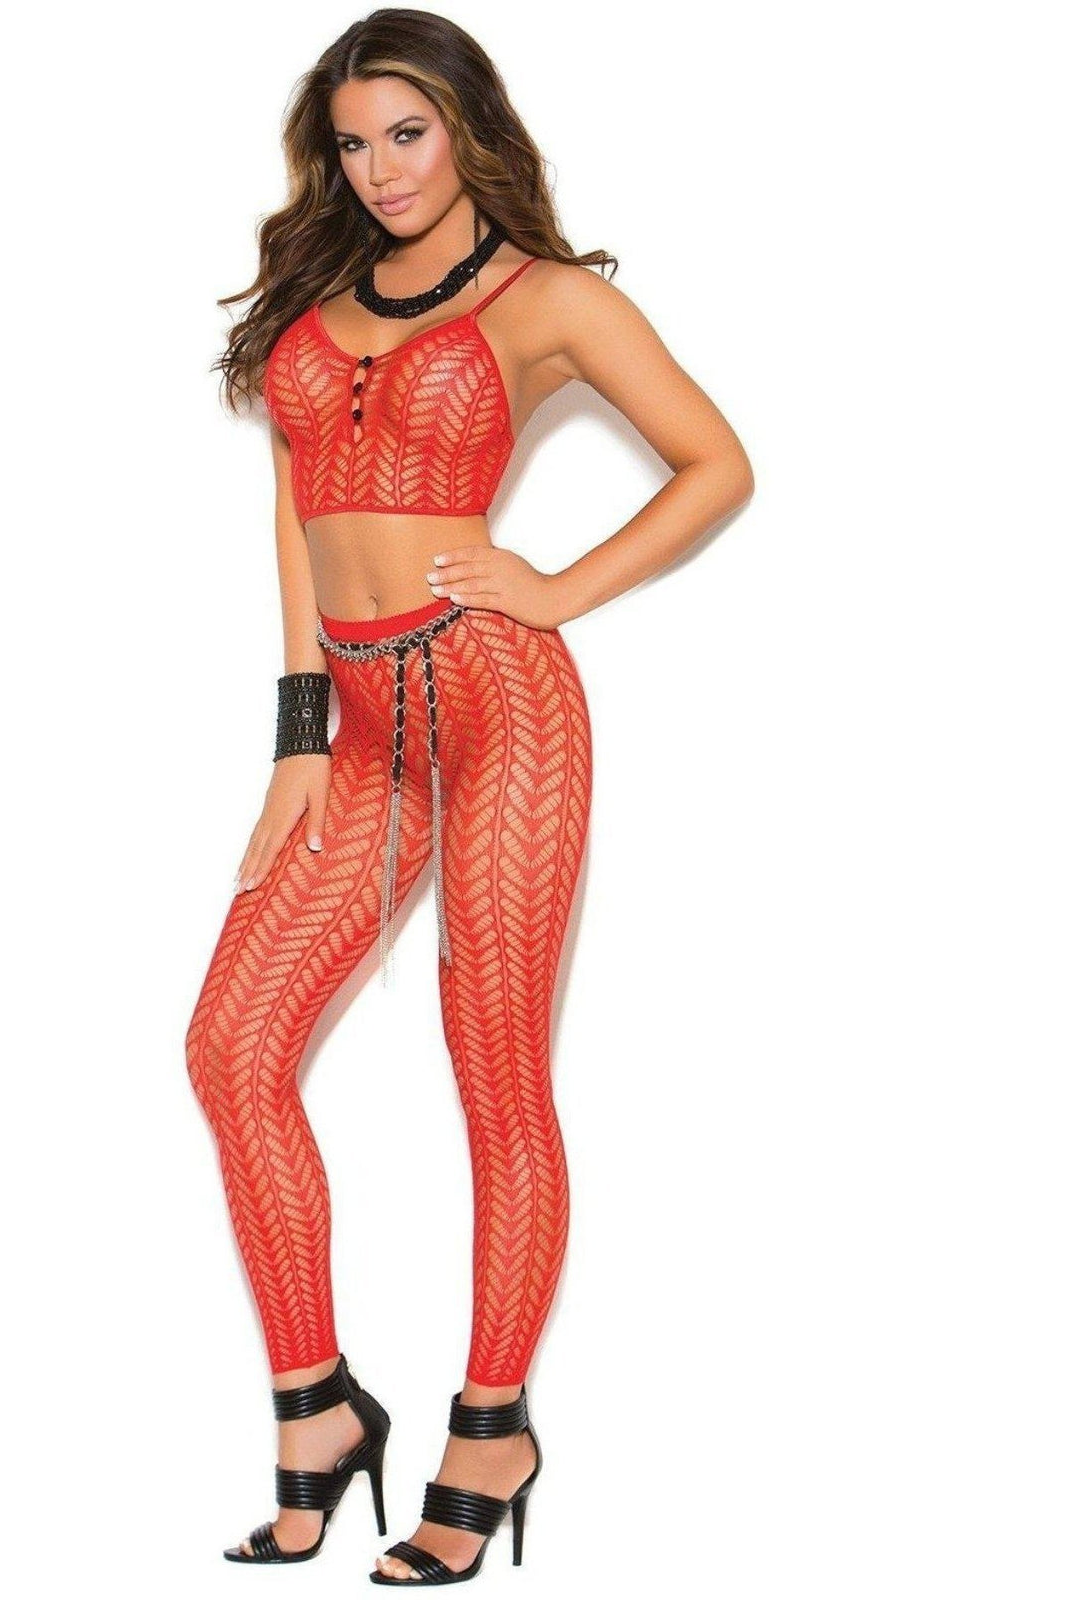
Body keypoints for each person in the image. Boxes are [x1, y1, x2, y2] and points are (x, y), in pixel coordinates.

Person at [185, 7, 754, 1586]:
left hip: (501, 710)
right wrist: (299, 735)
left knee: (494, 1078)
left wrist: (554, 588)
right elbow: (296, 508)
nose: (379, 169)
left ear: (465, 126)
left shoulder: (548, 299)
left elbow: (717, 464)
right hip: (360, 729)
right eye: (352, 143)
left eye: (406, 133)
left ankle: (492, 1429)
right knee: (232, 1050)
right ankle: (318, 1409)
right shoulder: (319, 303)